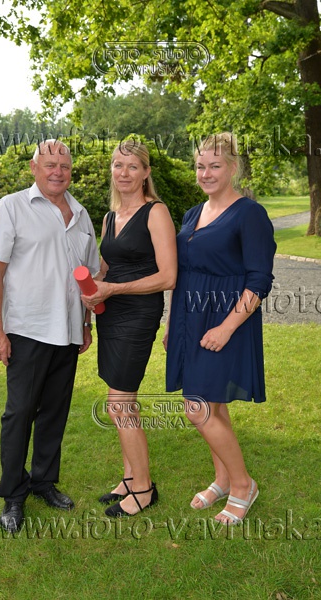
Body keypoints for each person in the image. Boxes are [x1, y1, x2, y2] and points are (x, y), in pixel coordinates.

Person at [0, 140, 100, 533]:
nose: (57, 172)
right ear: (34, 168)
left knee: (54, 412)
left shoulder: (81, 214)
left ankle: (44, 482)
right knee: (19, 413)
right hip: (27, 330)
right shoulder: (11, 207)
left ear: (71, 172)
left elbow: (89, 276)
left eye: (64, 166)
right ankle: (13, 495)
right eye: (49, 165)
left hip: (67, 332)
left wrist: (86, 324)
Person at [164, 132, 276, 525]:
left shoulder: (250, 214)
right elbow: (182, 274)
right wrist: (172, 324)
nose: (206, 173)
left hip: (227, 319)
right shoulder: (192, 213)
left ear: (232, 168)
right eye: (200, 166)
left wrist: (227, 327)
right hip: (189, 319)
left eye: (214, 165)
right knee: (211, 403)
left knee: (196, 407)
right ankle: (223, 479)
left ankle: (244, 485)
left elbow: (259, 280)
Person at [81, 140, 177, 517]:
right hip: (110, 313)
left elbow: (168, 276)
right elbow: (109, 268)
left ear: (146, 173)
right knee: (122, 399)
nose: (124, 173)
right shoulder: (110, 217)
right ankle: (129, 477)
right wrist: (94, 286)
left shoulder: (156, 212)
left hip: (138, 313)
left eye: (132, 166)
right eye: (118, 165)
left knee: (118, 403)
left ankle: (143, 489)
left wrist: (113, 289)